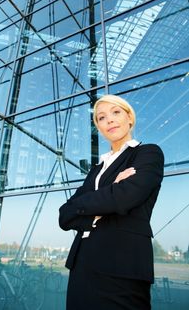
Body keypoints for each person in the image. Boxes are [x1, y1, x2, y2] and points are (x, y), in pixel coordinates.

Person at [59, 94, 164, 310]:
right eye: (102, 118)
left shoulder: (147, 153)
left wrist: (91, 204)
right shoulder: (98, 168)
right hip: (82, 263)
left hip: (122, 263)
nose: (110, 120)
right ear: (98, 126)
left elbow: (126, 196)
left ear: (129, 118)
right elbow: (64, 214)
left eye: (116, 113)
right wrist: (112, 190)